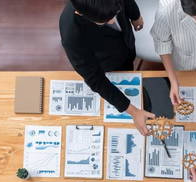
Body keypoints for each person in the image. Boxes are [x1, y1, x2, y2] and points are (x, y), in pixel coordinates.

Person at [59, 0, 155, 135]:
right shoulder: (71, 34)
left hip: (126, 43)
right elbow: (95, 79)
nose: (112, 21)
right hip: (109, 61)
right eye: (104, 20)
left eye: (114, 14)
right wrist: (133, 112)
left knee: (129, 62)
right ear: (80, 13)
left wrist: (135, 16)